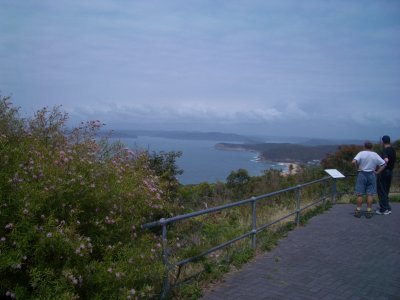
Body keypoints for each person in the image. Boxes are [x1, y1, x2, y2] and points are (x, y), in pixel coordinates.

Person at [352, 140, 386, 218]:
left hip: (362, 174)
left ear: (364, 146)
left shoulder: (361, 153)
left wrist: (357, 168)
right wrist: (377, 172)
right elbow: (383, 164)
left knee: (359, 194)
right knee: (370, 194)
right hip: (371, 174)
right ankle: (369, 210)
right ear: (372, 147)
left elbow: (353, 161)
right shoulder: (375, 155)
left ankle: (358, 210)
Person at [376, 135, 396, 215]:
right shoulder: (392, 150)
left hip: (384, 172)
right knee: (386, 190)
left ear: (383, 141)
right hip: (390, 172)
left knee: (381, 190)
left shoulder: (385, 150)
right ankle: (387, 207)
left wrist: (378, 170)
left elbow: (386, 160)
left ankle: (384, 209)